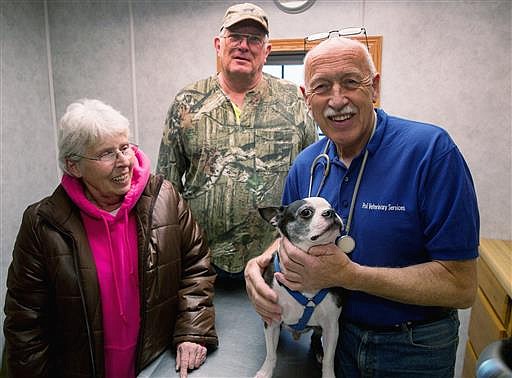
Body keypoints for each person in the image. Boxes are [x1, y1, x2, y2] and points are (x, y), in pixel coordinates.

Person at [245, 36, 480, 377]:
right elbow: (294, 233)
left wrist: (350, 275)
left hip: (414, 348)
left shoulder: (430, 152)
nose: (337, 100)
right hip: (334, 342)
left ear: (375, 87)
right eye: (322, 86)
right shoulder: (307, 165)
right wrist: (260, 262)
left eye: (351, 82)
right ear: (306, 98)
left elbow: (461, 287)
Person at [3, 99, 218, 378]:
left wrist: (192, 329)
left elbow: (197, 265)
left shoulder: (164, 199)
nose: (124, 162)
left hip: (154, 366)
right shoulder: (42, 224)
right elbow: (25, 322)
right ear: (73, 165)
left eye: (125, 147)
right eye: (107, 154)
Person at [156, 2, 317, 279]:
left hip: (274, 260)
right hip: (200, 263)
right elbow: (166, 187)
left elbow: (313, 177)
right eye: (235, 37)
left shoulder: (294, 101)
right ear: (219, 44)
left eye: (254, 39)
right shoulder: (188, 101)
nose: (244, 45)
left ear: (266, 51)